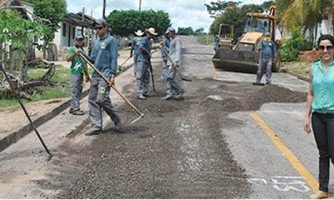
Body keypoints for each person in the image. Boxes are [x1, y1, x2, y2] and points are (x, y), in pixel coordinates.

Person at [304, 34, 334, 199]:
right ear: (318, 50)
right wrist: (307, 116)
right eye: (322, 47)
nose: (325, 50)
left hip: (333, 116)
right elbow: (310, 93)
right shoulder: (314, 68)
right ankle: (323, 189)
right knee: (323, 153)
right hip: (317, 117)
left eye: (329, 47)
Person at [85, 18, 121, 136]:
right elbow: (93, 59)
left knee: (101, 99)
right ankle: (96, 126)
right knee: (92, 99)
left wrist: (112, 74)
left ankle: (116, 119)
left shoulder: (112, 41)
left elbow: (113, 58)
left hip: (105, 75)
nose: (97, 30)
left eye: (100, 28)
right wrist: (82, 54)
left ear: (106, 27)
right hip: (96, 75)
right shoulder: (96, 42)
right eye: (96, 28)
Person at [66, 35, 90, 116]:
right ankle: (76, 109)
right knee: (75, 91)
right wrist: (74, 54)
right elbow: (68, 59)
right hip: (74, 73)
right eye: (78, 40)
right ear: (75, 41)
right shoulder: (72, 49)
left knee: (79, 91)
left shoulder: (82, 50)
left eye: (81, 40)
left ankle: (73, 107)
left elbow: (85, 63)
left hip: (81, 73)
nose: (80, 41)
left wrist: (87, 75)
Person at [161, 27, 184, 100]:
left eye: (169, 33)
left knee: (169, 78)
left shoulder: (177, 40)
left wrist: (176, 62)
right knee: (168, 78)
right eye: (167, 34)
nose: (168, 35)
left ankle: (180, 90)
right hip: (170, 61)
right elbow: (171, 51)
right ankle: (169, 94)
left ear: (172, 32)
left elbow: (178, 51)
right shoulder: (172, 40)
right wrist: (164, 47)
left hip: (173, 62)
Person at [136, 27, 157, 100]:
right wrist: (148, 52)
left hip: (146, 61)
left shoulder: (149, 41)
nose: (152, 35)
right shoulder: (144, 39)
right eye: (151, 34)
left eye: (152, 34)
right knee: (140, 77)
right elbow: (141, 47)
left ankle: (144, 91)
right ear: (148, 33)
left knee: (146, 77)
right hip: (142, 60)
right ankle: (139, 93)